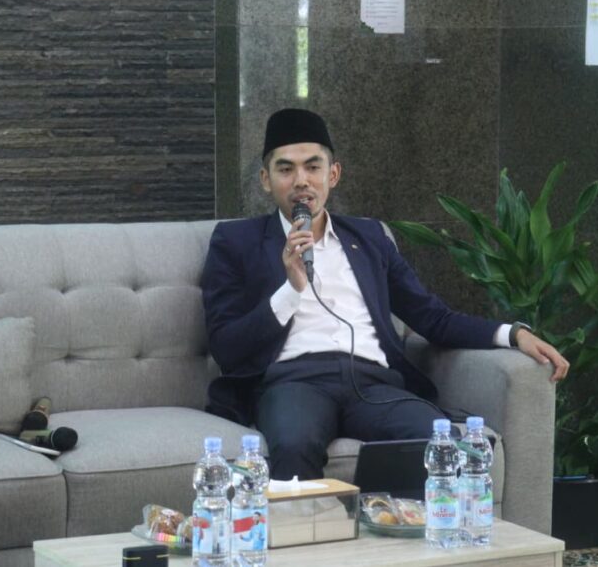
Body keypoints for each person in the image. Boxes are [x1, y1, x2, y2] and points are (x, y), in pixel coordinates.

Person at [202, 108, 569, 480]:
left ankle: (390, 518)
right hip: (293, 383)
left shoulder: (370, 238)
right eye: (286, 169)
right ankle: (313, 521)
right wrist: (291, 290)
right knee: (294, 443)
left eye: (313, 167)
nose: (301, 181)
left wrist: (512, 334)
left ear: (333, 174)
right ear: (266, 180)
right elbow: (226, 346)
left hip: (373, 383)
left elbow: (432, 317)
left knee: (434, 441)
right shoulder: (236, 241)